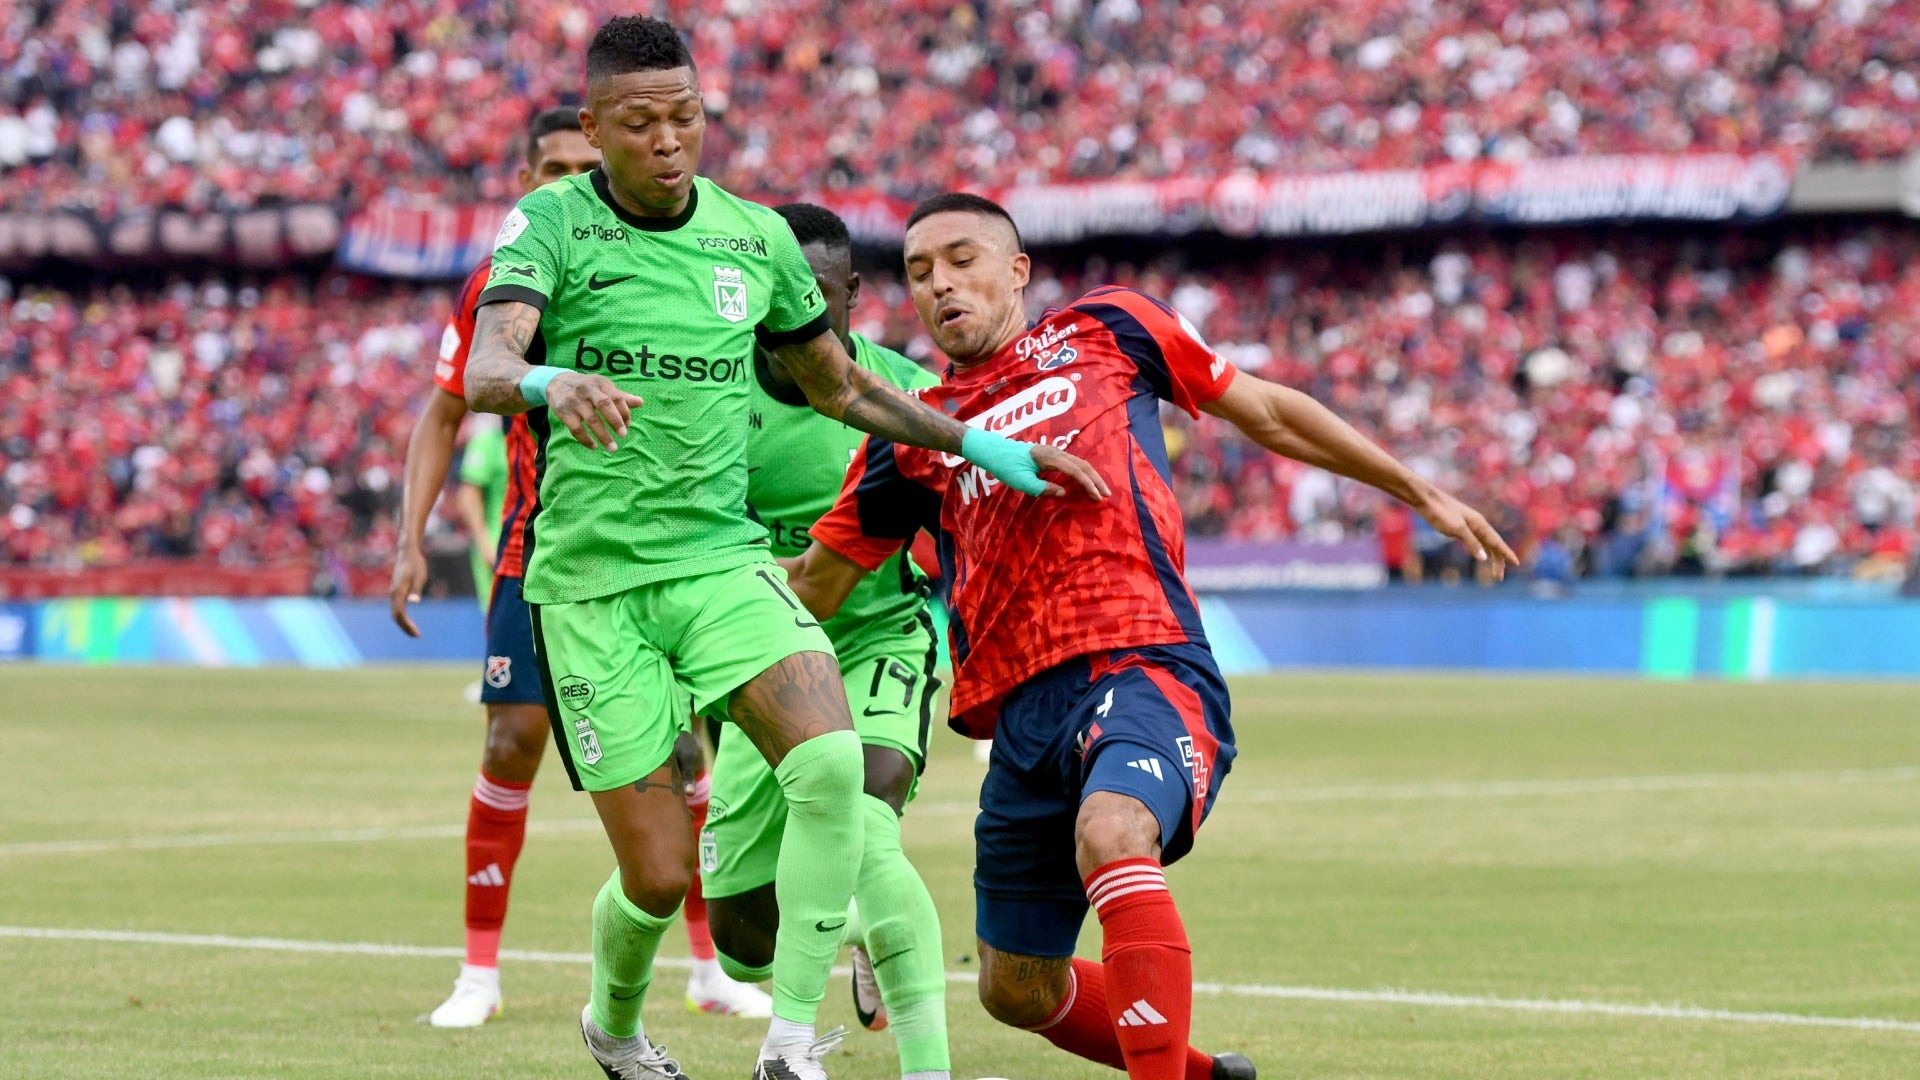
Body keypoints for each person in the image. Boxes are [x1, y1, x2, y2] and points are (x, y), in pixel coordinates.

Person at [458, 20, 1102, 1080]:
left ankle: (791, 1042)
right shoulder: (551, 221)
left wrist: (983, 440)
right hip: (591, 587)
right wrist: (548, 382)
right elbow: (486, 366)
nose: (668, 141)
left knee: (835, 762)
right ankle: (613, 1024)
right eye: (640, 123)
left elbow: (841, 386)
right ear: (594, 128)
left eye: (685, 117)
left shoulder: (752, 239)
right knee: (662, 880)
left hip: (721, 566)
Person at [781, 193, 1517, 1080]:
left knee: (1114, 829)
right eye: (921, 272)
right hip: (1019, 715)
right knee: (1016, 989)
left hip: (1142, 659)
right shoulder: (912, 433)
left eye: (963, 259)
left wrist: (1418, 491)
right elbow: (813, 587)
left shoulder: (1110, 329)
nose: (942, 284)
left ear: (1018, 270)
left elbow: (1268, 411)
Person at [387, 104, 769, 1030]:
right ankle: (479, 972)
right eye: (550, 164)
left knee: (683, 756)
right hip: (532, 554)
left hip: (655, 554)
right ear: (528, 176)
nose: (566, 176)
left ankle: (710, 967)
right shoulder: (497, 282)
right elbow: (445, 410)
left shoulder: (663, 254)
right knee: (509, 744)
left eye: (578, 160)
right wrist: (410, 539)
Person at [701, 203, 951, 1080]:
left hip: (879, 635)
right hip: (757, 656)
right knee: (738, 938)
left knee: (868, 814)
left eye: (817, 290)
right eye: (780, 288)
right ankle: (855, 928)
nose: (797, 304)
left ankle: (928, 1068)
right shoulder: (712, 395)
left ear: (850, 294)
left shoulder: (899, 396)